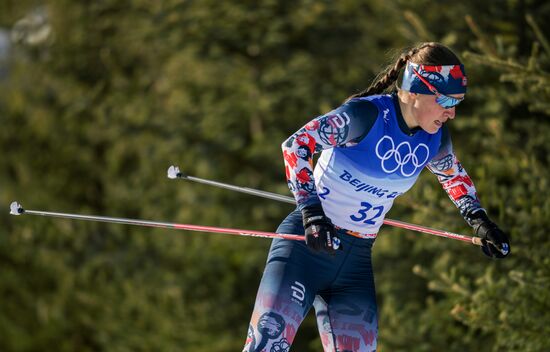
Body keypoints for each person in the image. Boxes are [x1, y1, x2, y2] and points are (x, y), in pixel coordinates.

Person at [243, 42, 510, 352]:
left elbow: (453, 177)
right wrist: (312, 213)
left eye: (458, 102)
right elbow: (296, 145)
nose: (451, 112)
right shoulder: (365, 116)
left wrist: (480, 221)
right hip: (306, 248)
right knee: (266, 345)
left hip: (355, 260)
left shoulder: (435, 137)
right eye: (446, 100)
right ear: (415, 89)